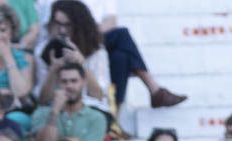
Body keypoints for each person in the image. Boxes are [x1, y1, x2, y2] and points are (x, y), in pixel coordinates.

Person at [49, 1, 183, 109]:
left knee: (122, 56)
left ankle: (116, 119)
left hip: (91, 36)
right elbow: (51, 24)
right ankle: (155, 89)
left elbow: (111, 21)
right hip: (71, 38)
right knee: (122, 35)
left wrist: (87, 30)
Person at [40, 2, 108, 107]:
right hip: (55, 109)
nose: (62, 30)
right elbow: (42, 100)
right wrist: (53, 70)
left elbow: (99, 95)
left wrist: (82, 64)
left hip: (89, 110)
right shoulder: (44, 50)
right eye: (58, 23)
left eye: (67, 25)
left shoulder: (97, 52)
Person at [32, 61, 107, 141]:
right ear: (57, 84)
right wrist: (54, 111)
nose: (69, 86)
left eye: (74, 81)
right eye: (64, 82)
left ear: (83, 82)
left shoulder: (96, 118)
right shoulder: (42, 113)